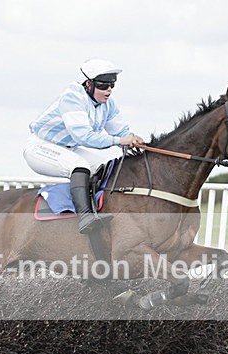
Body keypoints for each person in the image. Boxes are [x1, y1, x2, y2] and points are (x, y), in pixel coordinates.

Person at [23, 58, 144, 234]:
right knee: (79, 166)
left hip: (67, 148)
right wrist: (119, 141)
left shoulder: (107, 104)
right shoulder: (72, 97)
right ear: (88, 84)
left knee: (105, 166)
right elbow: (84, 137)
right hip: (40, 147)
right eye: (103, 85)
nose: (109, 90)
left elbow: (121, 131)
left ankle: (98, 209)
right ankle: (85, 217)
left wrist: (133, 139)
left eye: (112, 85)